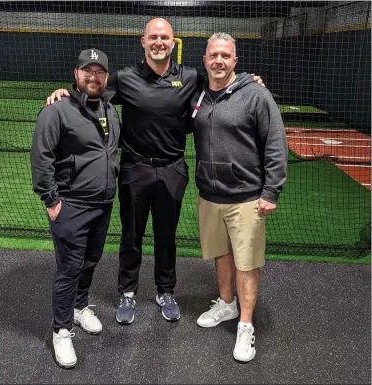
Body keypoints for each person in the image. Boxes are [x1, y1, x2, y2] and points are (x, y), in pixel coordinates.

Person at [46, 18, 265, 325]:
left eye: (165, 37)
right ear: (144, 42)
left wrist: (248, 80)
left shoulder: (189, 76)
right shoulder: (125, 77)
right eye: (154, 37)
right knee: (131, 236)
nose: (159, 42)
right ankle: (128, 292)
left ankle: (166, 291)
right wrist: (65, 92)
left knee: (166, 236)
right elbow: (91, 91)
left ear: (173, 42)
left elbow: (223, 79)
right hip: (135, 170)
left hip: (173, 170)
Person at [190, 33, 288, 363]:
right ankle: (226, 304)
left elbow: (275, 143)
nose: (218, 60)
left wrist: (271, 190)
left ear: (235, 60)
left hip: (247, 196)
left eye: (225, 56)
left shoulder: (256, 95)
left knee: (247, 262)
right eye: (213, 55)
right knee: (221, 253)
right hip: (210, 194)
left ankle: (245, 324)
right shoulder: (199, 94)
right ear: (205, 60)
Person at [31, 48, 121, 368]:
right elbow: (41, 159)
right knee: (69, 269)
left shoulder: (110, 107)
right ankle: (61, 329)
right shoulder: (56, 110)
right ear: (76, 74)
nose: (93, 77)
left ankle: (81, 308)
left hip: (103, 203)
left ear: (106, 77)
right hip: (71, 206)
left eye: (99, 72)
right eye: (87, 71)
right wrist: (52, 201)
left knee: (90, 261)